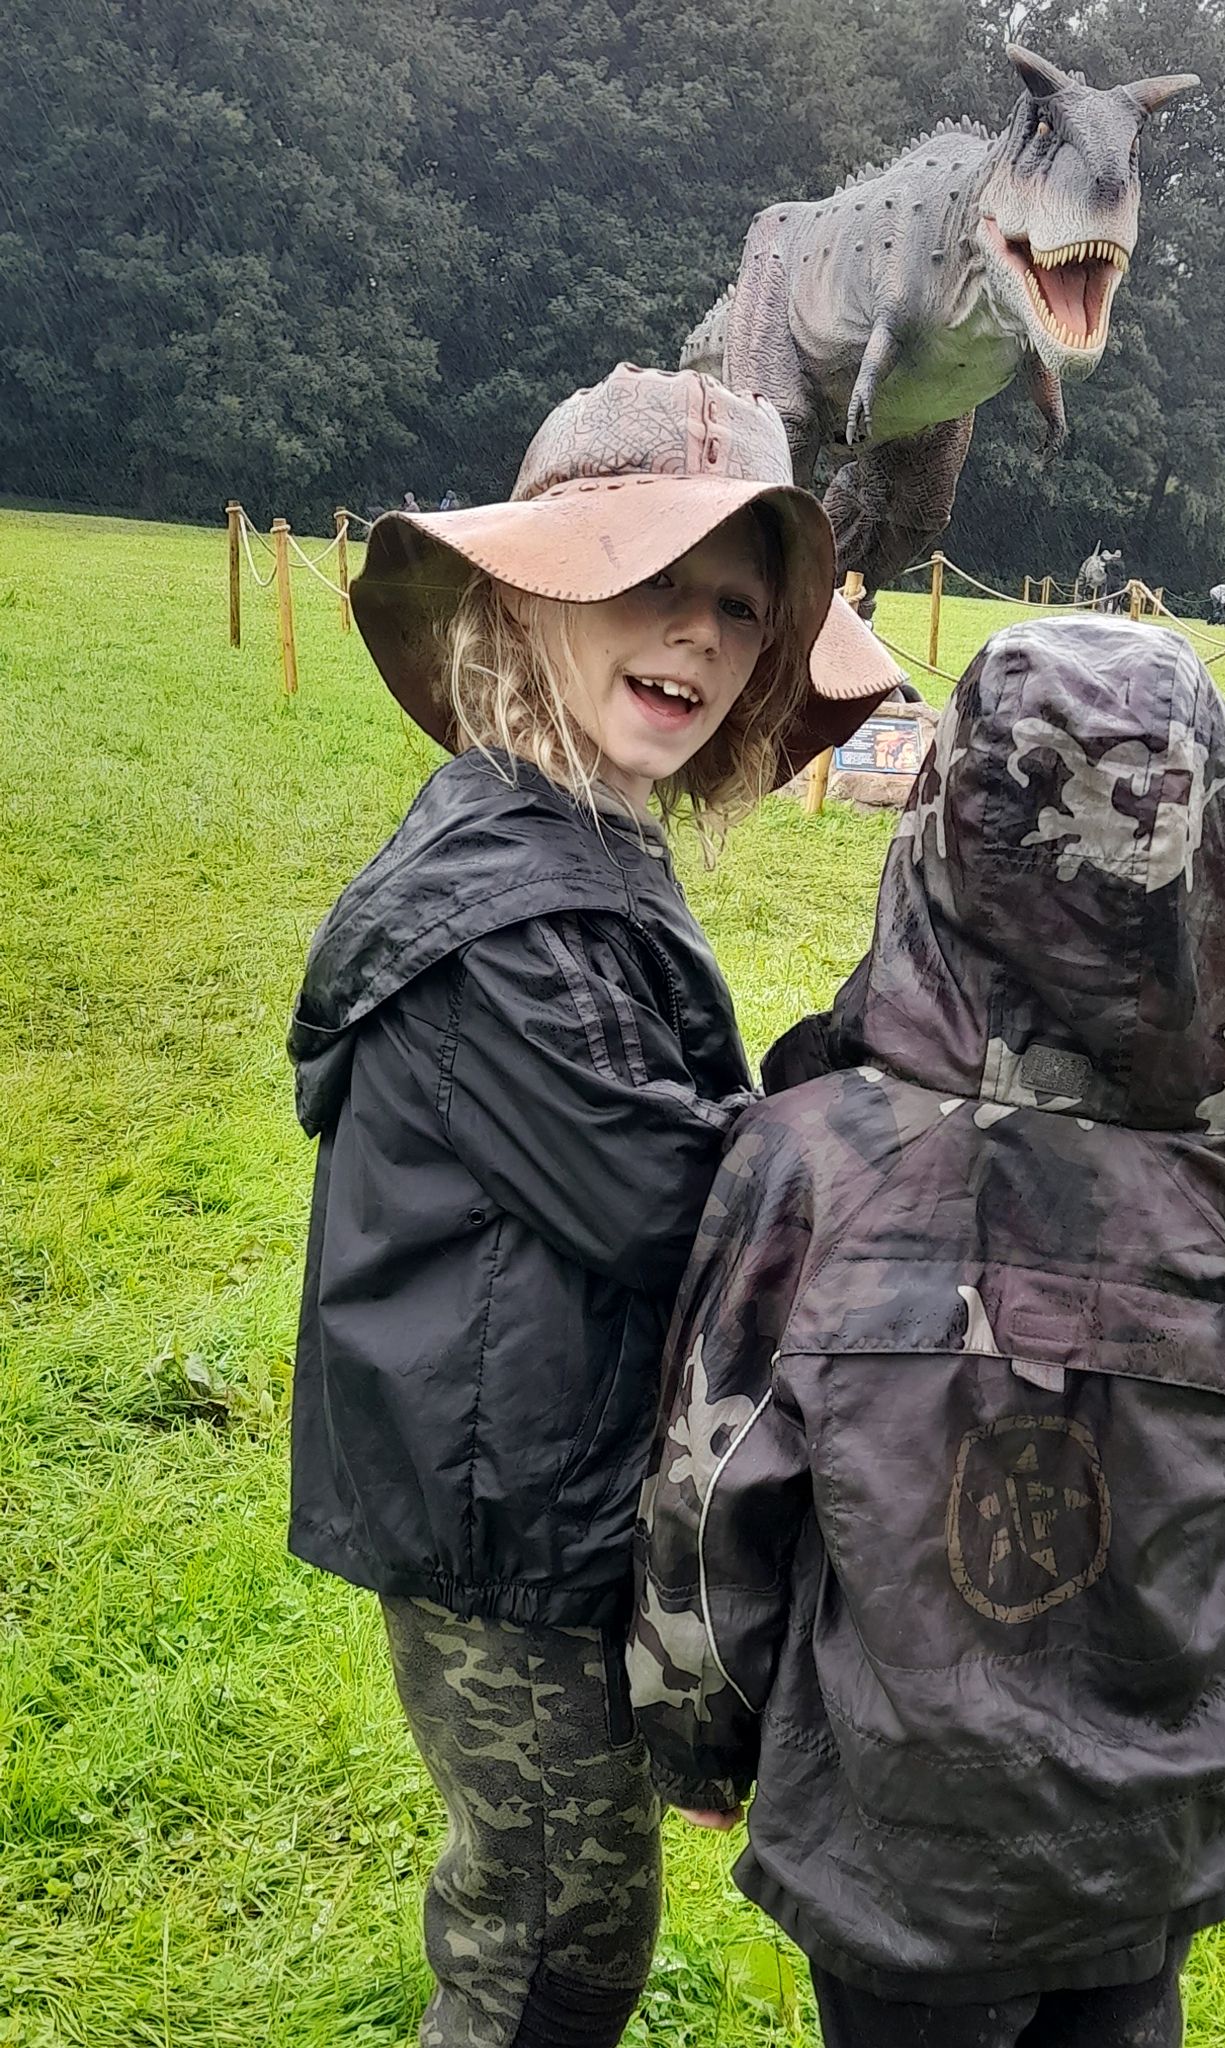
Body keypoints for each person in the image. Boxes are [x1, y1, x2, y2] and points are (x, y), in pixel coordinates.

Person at [631, 617, 1225, 2048]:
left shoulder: (804, 1163)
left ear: (946, 824)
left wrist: (701, 1737)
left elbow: (707, 1504)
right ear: (1217, 838)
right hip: (1147, 1823)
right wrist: (1174, 1534)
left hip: (894, 1830)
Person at [286, 362, 898, 2048]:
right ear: (528, 597)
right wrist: (870, 1085)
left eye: (735, 605)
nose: (695, 638)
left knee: (556, 1898)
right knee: (553, 1935)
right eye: (648, 581)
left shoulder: (578, 836)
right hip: (502, 1521)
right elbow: (680, 1208)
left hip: (539, 1478)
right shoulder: (504, 914)